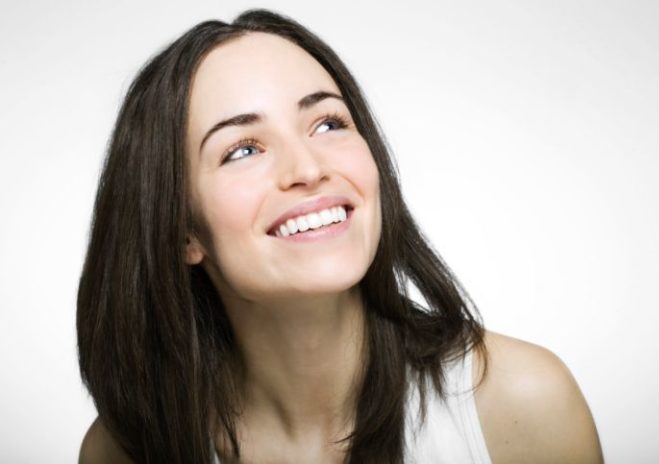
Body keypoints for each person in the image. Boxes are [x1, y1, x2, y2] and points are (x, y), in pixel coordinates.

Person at [77, 9, 603, 464]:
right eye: (243, 149)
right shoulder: (124, 449)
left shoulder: (522, 403)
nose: (307, 167)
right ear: (182, 231)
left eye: (327, 123)